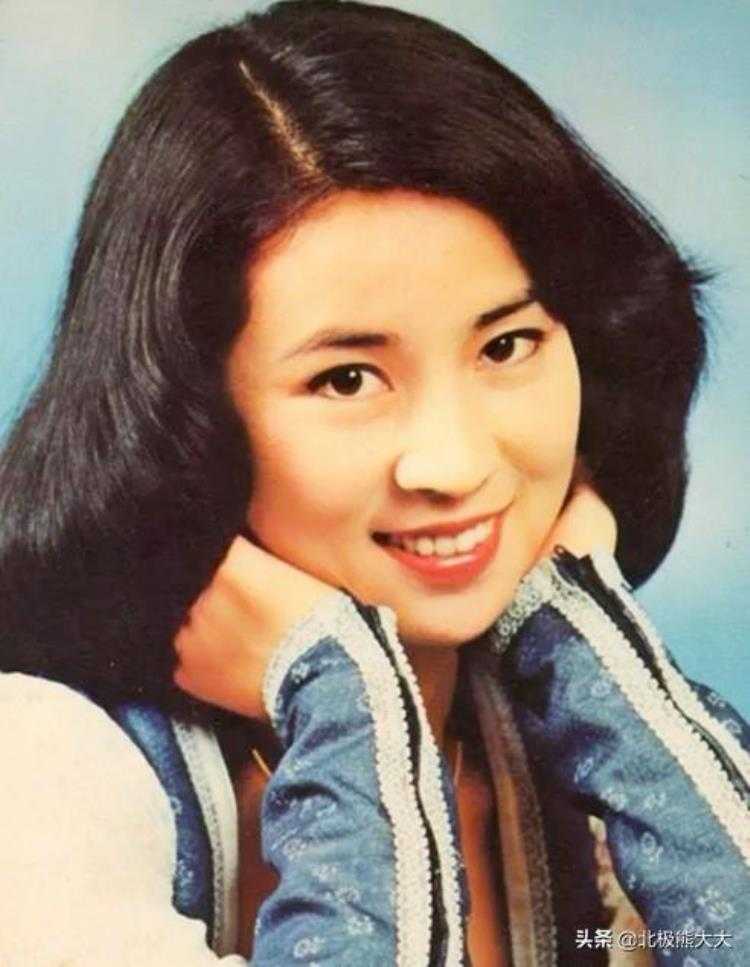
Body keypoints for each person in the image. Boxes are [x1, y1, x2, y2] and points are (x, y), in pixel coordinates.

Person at [0, 1, 747, 964]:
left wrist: (578, 643)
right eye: (348, 379)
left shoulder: (595, 761)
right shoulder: (47, 774)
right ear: (187, 414)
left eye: (507, 345)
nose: (455, 463)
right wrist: (342, 697)